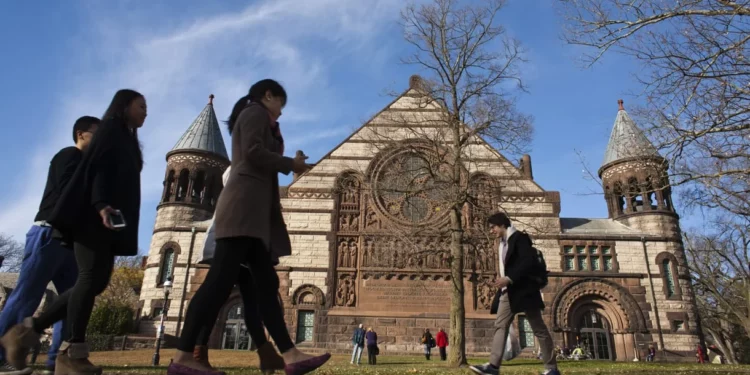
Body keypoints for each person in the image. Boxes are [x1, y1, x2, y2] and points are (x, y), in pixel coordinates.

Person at [168, 79, 328, 375]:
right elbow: (253, 153)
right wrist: (290, 164)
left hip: (254, 215)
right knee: (216, 285)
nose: (281, 112)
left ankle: (290, 355)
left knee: (266, 286)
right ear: (268, 95)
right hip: (242, 210)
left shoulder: (263, 119)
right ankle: (183, 356)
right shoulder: (254, 113)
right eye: (280, 103)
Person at [2, 89, 145, 375]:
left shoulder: (126, 139)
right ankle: (70, 353)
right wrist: (101, 204)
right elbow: (97, 171)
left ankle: (26, 334)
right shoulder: (109, 133)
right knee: (85, 281)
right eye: (141, 105)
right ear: (124, 105)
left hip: (107, 222)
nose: (145, 111)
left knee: (93, 283)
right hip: (91, 219)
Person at [0, 116, 100, 375]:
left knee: (73, 301)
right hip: (48, 234)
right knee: (26, 296)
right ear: (81, 134)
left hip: (71, 242)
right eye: (97, 134)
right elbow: (69, 193)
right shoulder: (68, 156)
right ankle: (2, 357)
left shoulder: (88, 166)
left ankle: (57, 361)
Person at [191, 166, 285, 374]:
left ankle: (265, 353)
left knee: (252, 301)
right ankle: (195, 353)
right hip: (232, 243)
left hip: (247, 247)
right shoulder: (242, 169)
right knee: (214, 298)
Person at [469, 212, 561, 375]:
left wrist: (510, 278)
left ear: (502, 225)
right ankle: (493, 366)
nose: (491, 231)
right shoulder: (501, 244)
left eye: (493, 227)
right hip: (508, 292)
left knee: (538, 328)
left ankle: (551, 368)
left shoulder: (520, 238)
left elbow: (527, 262)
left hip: (524, 290)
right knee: (500, 325)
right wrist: (501, 280)